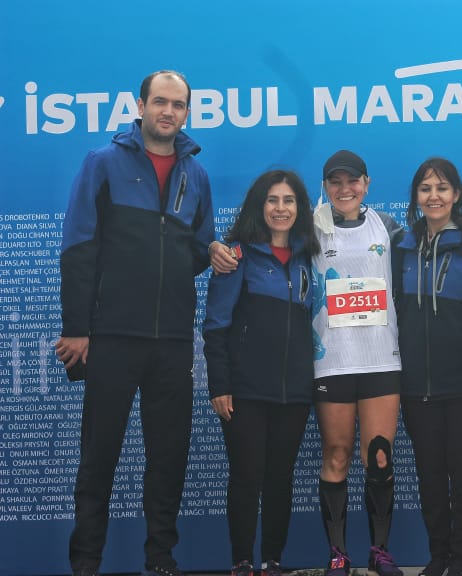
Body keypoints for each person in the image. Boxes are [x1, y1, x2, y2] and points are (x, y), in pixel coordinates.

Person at [211, 149, 405, 576]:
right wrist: (220, 383)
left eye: (352, 181)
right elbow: (219, 322)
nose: (345, 188)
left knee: (371, 457)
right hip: (312, 370)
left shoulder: (381, 228)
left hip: (360, 366)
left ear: (367, 184)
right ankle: (296, 558)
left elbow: (427, 242)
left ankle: (371, 552)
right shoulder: (287, 239)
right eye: (335, 182)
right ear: (322, 189)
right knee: (315, 459)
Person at [54, 70, 215, 576]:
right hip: (112, 337)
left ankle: (160, 558)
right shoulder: (103, 163)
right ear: (141, 105)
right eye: (161, 102)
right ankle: (86, 562)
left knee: (168, 459)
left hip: (171, 340)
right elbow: (79, 249)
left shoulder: (197, 175)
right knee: (98, 457)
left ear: (187, 112)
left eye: (179, 105)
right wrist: (79, 327)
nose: (169, 112)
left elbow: (197, 249)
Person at [203, 170, 320, 576]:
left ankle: (272, 561)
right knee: (246, 476)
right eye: (273, 200)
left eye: (289, 201)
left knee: (280, 479)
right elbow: (215, 326)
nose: (281, 208)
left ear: (299, 209)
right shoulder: (236, 255)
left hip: (294, 392)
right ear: (260, 205)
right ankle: (241, 563)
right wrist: (219, 383)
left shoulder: (309, 257)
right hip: (245, 391)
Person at [392, 158, 462, 576]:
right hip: (414, 383)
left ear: (456, 195)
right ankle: (439, 556)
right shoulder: (401, 245)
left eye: (441, 188)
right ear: (416, 197)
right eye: (425, 189)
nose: (433, 196)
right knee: (430, 477)